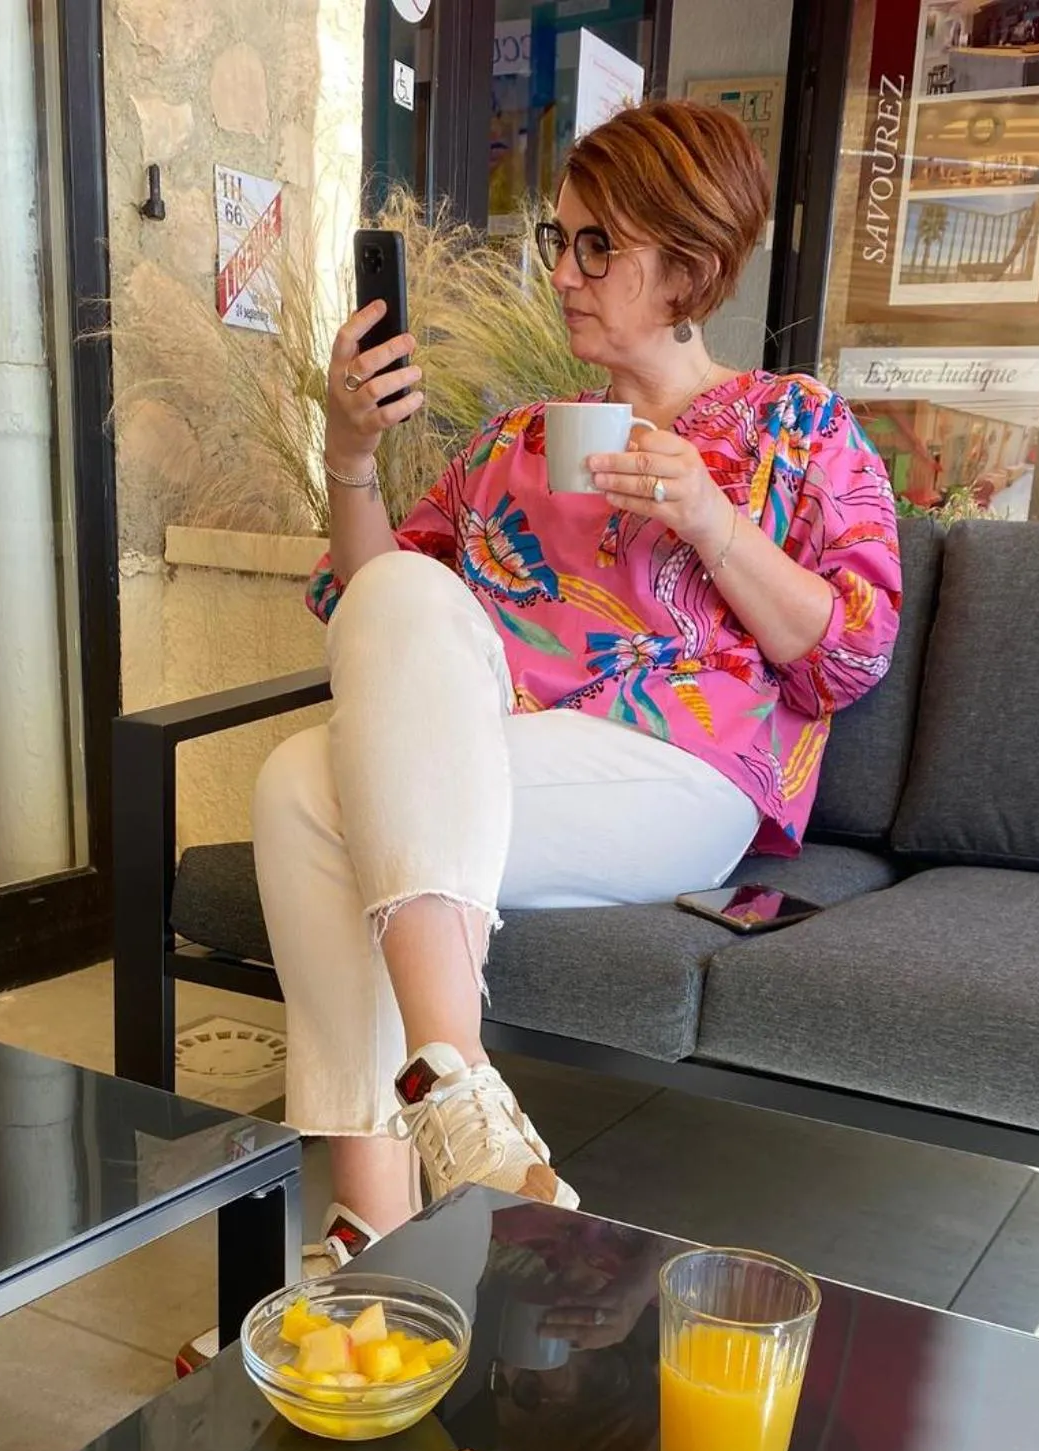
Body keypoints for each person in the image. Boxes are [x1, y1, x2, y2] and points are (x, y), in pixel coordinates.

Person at [253, 99, 901, 1275]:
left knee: (314, 785)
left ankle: (378, 1224)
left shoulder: (794, 427)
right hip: (484, 764)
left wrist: (710, 516)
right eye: (559, 240)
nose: (565, 270)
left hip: (678, 781)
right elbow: (370, 611)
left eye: (597, 244)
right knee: (313, 750)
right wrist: (350, 457)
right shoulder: (512, 439)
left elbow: (850, 652)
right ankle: (433, 1145)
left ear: (690, 267)